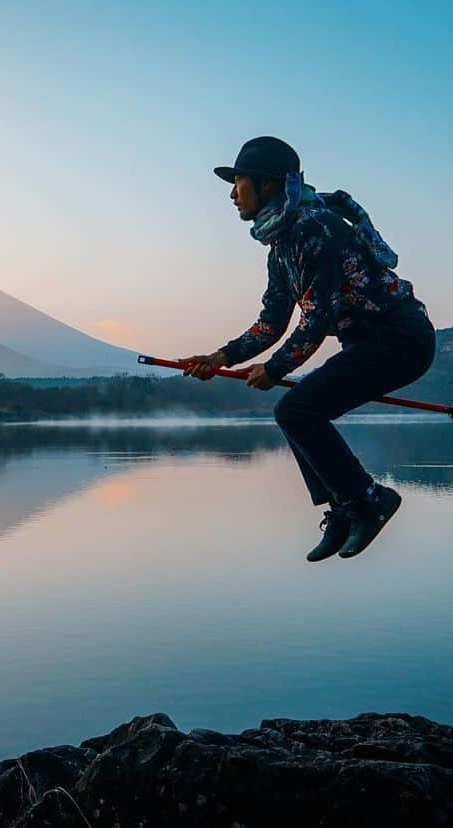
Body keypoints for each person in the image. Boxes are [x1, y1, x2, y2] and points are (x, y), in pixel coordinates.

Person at [182, 136, 436, 561]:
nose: (231, 194)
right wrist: (220, 357)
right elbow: (272, 322)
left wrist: (276, 369)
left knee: (296, 409)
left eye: (238, 181)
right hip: (373, 343)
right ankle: (345, 508)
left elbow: (316, 319)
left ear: (267, 185)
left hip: (401, 340)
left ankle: (369, 501)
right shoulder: (282, 243)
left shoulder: (314, 228)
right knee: (298, 412)